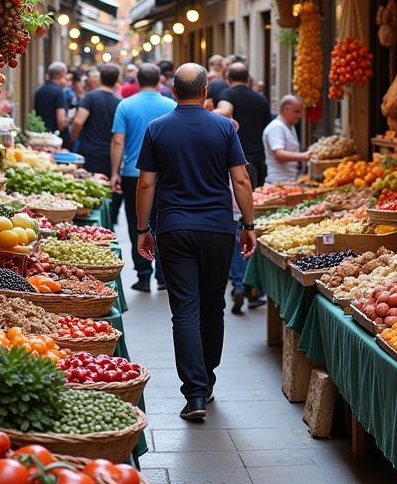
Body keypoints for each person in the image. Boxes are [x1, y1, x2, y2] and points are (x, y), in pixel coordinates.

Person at [135, 63, 257, 420]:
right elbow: (241, 180)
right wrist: (248, 223)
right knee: (212, 307)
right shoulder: (223, 127)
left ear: (173, 91)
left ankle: (195, 393)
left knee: (184, 310)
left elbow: (146, 183)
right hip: (218, 229)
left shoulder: (157, 129)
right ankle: (209, 379)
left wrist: (143, 229)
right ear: (205, 91)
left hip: (174, 228)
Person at [111, 63, 175, 291]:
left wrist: (114, 172)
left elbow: (118, 141)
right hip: (166, 173)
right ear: (159, 80)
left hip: (133, 173)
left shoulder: (125, 105)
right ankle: (163, 275)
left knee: (137, 221)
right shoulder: (171, 105)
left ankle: (143, 274)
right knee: (164, 220)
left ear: (138, 80)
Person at [216, 62, 273, 314]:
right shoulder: (260, 99)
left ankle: (239, 282)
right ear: (249, 79)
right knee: (249, 220)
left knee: (238, 223)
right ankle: (252, 287)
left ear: (228, 78)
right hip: (256, 163)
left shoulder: (227, 96)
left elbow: (224, 112)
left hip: (235, 163)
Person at [69, 64, 121, 175]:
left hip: (88, 152)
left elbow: (78, 122)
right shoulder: (119, 102)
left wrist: (71, 139)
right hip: (108, 154)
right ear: (117, 80)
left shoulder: (90, 97)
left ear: (100, 78)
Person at [263, 94, 309, 184]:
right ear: (286, 109)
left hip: (289, 181)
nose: (299, 116)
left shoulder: (290, 127)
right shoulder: (276, 127)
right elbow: (279, 154)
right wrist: (305, 156)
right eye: (296, 111)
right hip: (278, 182)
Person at [33, 62, 69, 135]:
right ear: (60, 74)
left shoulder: (39, 91)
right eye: (65, 75)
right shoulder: (59, 92)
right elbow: (61, 121)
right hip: (55, 137)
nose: (66, 78)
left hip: (40, 133)